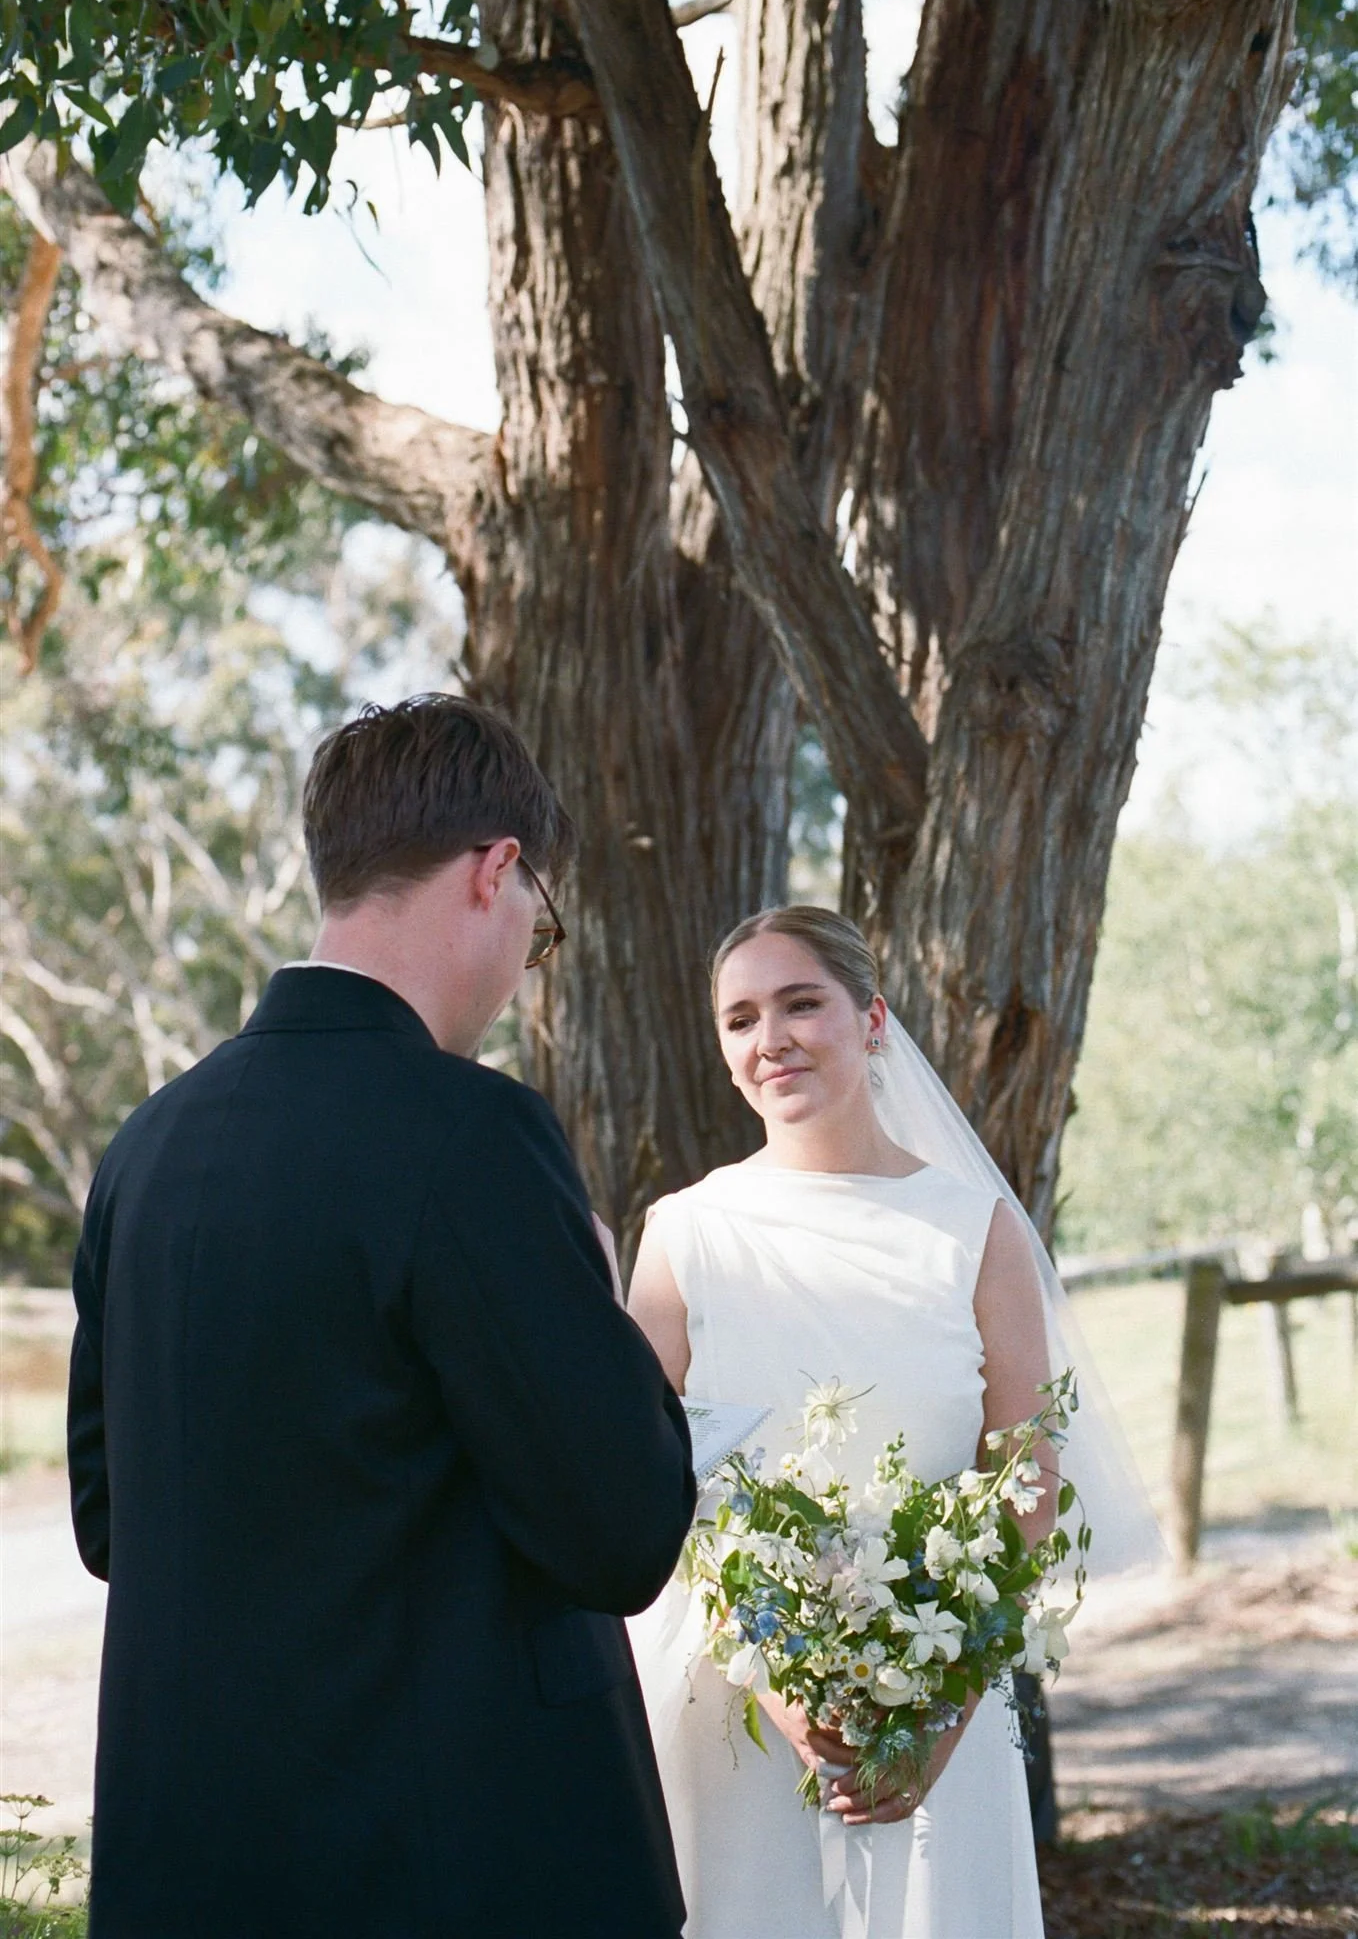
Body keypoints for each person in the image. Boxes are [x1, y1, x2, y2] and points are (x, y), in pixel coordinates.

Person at [68, 694, 696, 1939]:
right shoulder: (471, 1133)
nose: (529, 956)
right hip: (453, 1863)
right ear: (496, 871)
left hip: (194, 1864)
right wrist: (602, 1306)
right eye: (541, 921)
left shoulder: (146, 1147)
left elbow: (107, 1521)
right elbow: (622, 1526)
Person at [627, 905, 1059, 1939]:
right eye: (738, 1017)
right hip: (729, 1710)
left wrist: (938, 1713)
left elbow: (1026, 1476)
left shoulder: (974, 1229)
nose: (767, 1037)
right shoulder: (684, 1233)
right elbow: (648, 1482)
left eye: (798, 1002)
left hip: (941, 1697)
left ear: (869, 1019)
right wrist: (779, 1680)